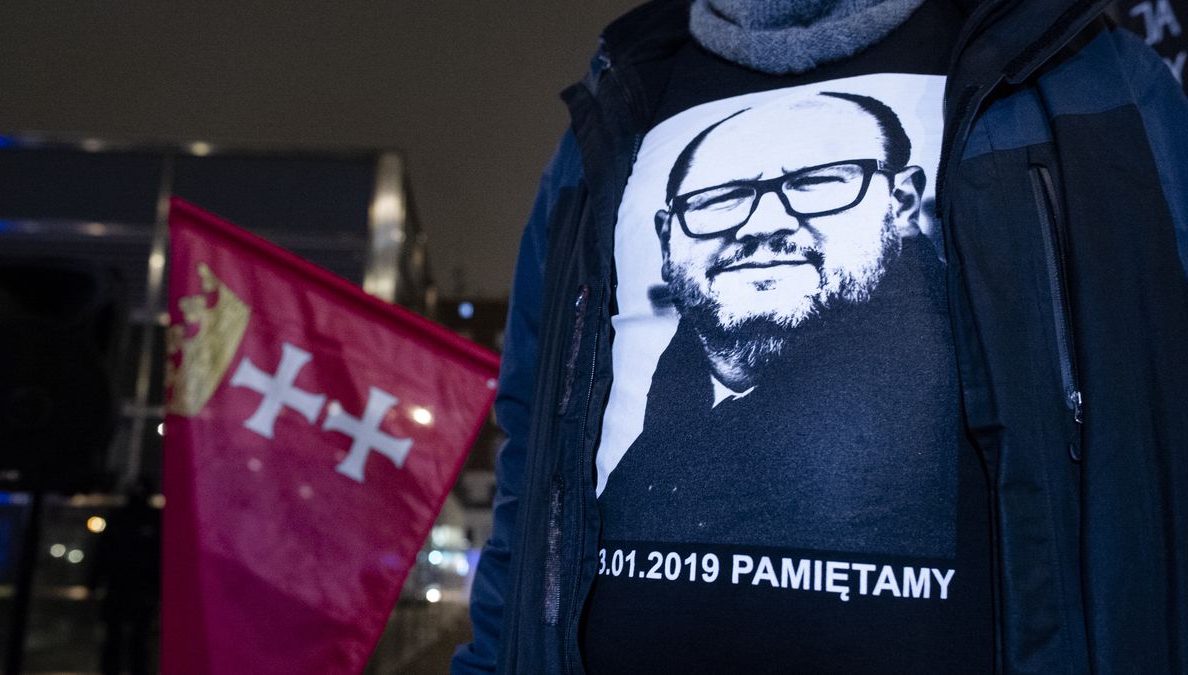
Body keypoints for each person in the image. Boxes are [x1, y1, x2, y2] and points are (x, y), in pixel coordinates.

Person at [454, 0, 1188, 672]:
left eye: (821, 183)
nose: (763, 222)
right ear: (667, 238)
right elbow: (531, 462)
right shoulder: (613, 111)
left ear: (902, 200)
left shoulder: (1085, 72)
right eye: (718, 201)